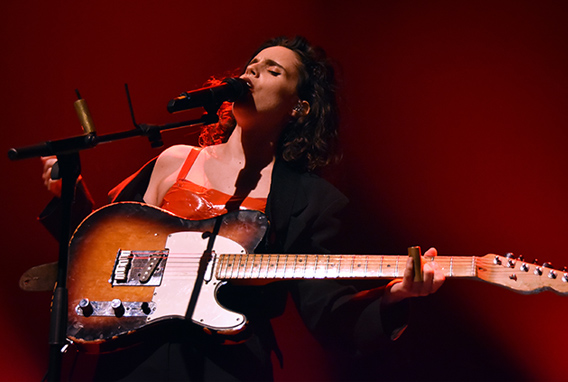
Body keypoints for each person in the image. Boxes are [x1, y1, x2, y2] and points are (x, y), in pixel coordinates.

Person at [40, 36, 445, 381]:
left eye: (273, 70)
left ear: (298, 106)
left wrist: (396, 295)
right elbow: (107, 250)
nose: (251, 73)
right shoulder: (176, 160)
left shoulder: (308, 201)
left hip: (227, 363)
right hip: (133, 355)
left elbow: (327, 308)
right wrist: (70, 194)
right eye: (252, 65)